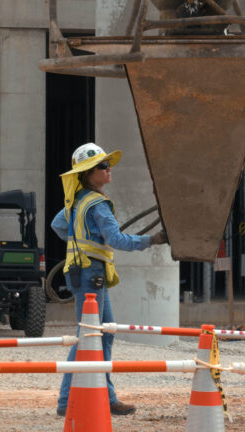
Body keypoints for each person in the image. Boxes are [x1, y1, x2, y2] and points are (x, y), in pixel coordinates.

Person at [51, 143, 168, 417]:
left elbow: (58, 225)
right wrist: (154, 240)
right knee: (89, 337)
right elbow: (117, 240)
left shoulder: (78, 200)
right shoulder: (99, 205)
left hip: (83, 272)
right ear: (90, 173)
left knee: (102, 334)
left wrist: (80, 243)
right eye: (103, 166)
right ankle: (69, 401)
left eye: (107, 164)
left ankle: (104, 396)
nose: (109, 169)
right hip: (91, 275)